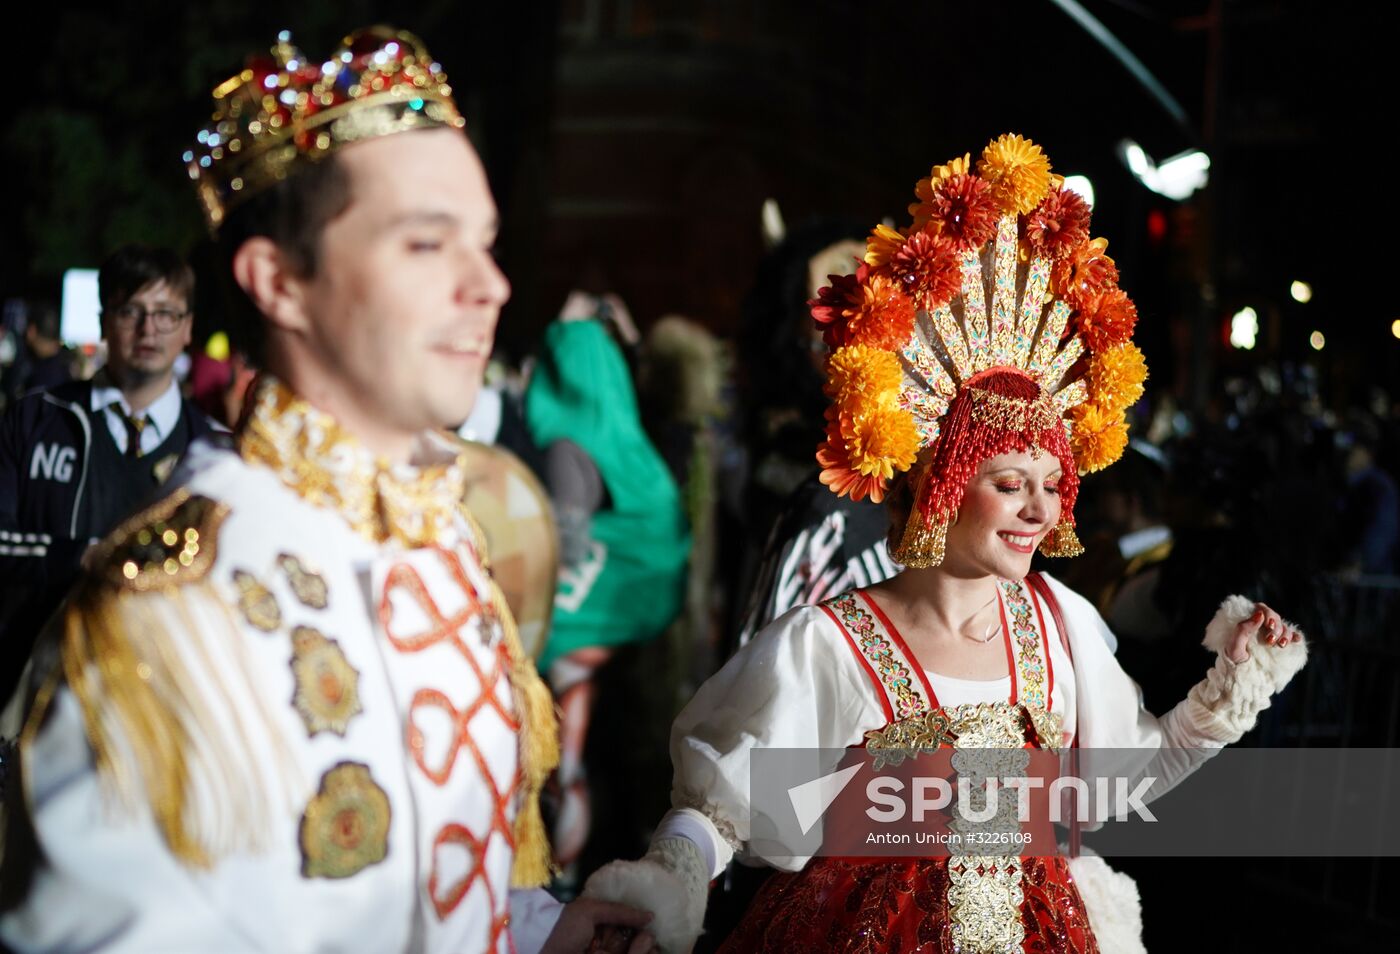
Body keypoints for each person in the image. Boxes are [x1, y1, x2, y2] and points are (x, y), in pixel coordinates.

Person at [0, 27, 653, 954]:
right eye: (428, 243)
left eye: (487, 243)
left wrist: (540, 929)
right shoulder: (167, 623)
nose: (492, 285)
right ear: (280, 284)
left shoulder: (451, 552)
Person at [581, 134, 1308, 953]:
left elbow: (1122, 784)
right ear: (942, 486)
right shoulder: (834, 644)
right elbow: (726, 806)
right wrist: (674, 873)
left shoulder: (1060, 627)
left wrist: (1228, 690)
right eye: (1009, 483)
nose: (1039, 510)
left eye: (1052, 484)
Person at [0, 247, 217, 704]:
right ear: (104, 321)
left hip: (158, 698)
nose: (148, 329)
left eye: (166, 313)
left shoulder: (214, 451)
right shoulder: (33, 420)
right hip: (33, 684)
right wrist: (81, 556)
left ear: (188, 327)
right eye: (130, 311)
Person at [525, 291, 691, 871]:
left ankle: (560, 883)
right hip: (632, 629)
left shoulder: (569, 448)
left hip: (577, 636)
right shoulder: (631, 443)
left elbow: (562, 553)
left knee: (567, 767)